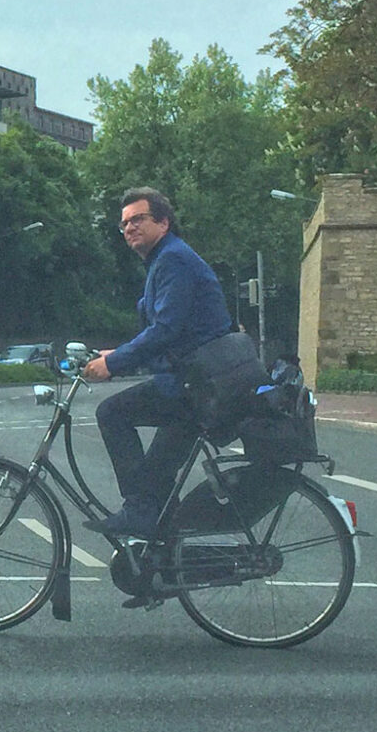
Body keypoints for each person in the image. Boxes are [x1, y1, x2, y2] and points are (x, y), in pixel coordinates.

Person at [81, 186, 269, 542]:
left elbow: (167, 329)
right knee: (156, 479)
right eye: (124, 224)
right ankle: (163, 557)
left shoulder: (173, 260)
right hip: (198, 386)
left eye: (138, 219)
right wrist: (116, 353)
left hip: (198, 388)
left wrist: (115, 363)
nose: (130, 228)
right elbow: (169, 331)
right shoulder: (163, 260)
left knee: (112, 413)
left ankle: (138, 511)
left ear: (163, 222)